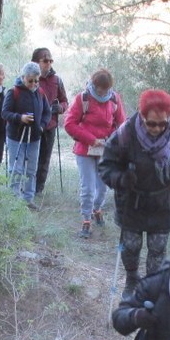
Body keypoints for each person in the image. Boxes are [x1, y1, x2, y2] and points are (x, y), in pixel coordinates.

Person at [98, 89, 170, 298]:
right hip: (131, 201)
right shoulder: (125, 134)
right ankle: (132, 280)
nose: (157, 128)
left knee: (157, 248)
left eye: (162, 123)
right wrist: (120, 178)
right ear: (142, 115)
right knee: (131, 246)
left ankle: (151, 287)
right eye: (151, 123)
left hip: (163, 201)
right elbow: (106, 166)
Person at [64, 68, 125, 238]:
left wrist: (113, 140)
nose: (103, 93)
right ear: (94, 85)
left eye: (106, 90)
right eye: (100, 90)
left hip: (106, 149)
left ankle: (96, 209)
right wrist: (91, 139)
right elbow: (69, 124)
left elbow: (122, 124)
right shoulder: (82, 98)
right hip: (85, 149)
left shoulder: (114, 99)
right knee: (88, 187)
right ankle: (86, 220)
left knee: (103, 187)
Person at [2, 62, 51, 210]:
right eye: (30, 81)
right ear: (23, 78)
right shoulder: (13, 92)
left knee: (31, 169)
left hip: (35, 137)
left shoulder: (40, 92)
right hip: (16, 137)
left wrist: (41, 126)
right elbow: (5, 113)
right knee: (16, 168)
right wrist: (20, 118)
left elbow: (47, 112)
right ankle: (14, 200)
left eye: (37, 80)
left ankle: (28, 199)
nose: (34, 84)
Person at [30, 48, 68, 195]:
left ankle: (38, 189)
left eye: (50, 60)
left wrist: (61, 107)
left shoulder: (57, 80)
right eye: (45, 60)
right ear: (35, 62)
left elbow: (65, 101)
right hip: (31, 124)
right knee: (30, 157)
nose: (49, 63)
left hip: (50, 125)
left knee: (44, 158)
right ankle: (27, 188)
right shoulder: (30, 78)